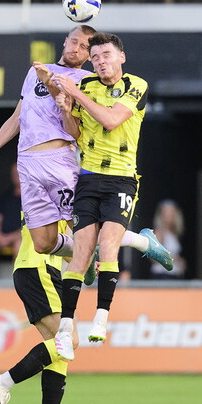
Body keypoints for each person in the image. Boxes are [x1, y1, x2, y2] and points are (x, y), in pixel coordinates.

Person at [0, 25, 169, 294]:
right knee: (42, 241)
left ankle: (139, 243)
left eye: (85, 47)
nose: (77, 48)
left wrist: (50, 83)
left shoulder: (87, 81)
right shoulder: (34, 72)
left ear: (90, 56)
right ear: (65, 41)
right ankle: (85, 256)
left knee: (86, 227)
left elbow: (73, 126)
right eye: (74, 42)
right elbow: (18, 116)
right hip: (27, 163)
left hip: (60, 161)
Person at [50, 31, 174, 357]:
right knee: (80, 252)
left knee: (107, 245)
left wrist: (76, 94)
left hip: (121, 179)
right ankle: (65, 327)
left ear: (121, 57)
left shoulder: (136, 85)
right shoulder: (87, 86)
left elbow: (110, 120)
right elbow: (74, 132)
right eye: (95, 57)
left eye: (106, 55)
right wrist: (66, 109)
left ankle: (101, 318)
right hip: (88, 177)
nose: (100, 61)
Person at [0, 214, 79, 404]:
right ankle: (3, 382)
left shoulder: (48, 191)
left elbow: (63, 244)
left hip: (38, 269)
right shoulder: (57, 190)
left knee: (59, 351)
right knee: (69, 340)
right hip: (39, 268)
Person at [0, 162, 23, 260]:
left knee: (20, 244)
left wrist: (11, 237)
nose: (15, 175)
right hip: (2, 238)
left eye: (18, 172)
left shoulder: (32, 196)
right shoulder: (6, 196)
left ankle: (16, 276)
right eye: (13, 173)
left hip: (21, 237)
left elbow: (31, 224)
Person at [149, 199, 186, 279]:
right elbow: (154, 257)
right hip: (162, 275)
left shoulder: (174, 233)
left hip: (174, 274)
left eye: (171, 213)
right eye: (166, 213)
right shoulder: (159, 233)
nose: (169, 217)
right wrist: (175, 259)